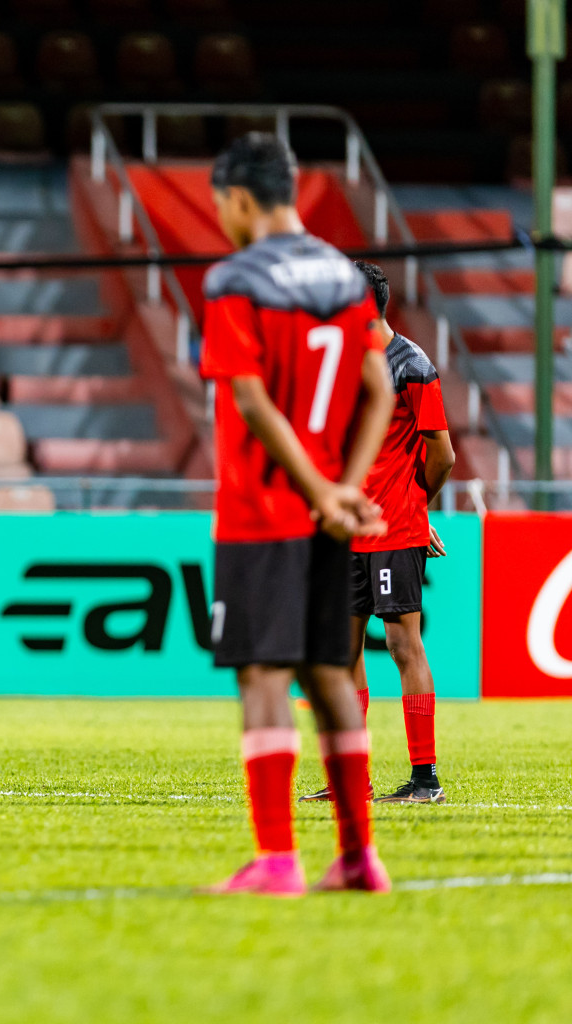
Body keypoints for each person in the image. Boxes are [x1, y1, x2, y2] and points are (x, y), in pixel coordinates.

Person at [198, 133, 397, 895]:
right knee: (332, 672)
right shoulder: (344, 278)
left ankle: (277, 859)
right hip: (326, 512)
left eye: (221, 205)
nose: (222, 219)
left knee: (263, 672)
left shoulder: (235, 280)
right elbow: (378, 388)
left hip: (262, 508)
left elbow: (249, 400)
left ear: (241, 199)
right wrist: (344, 491)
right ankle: (357, 855)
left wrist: (315, 491)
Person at [301, 261, 454, 805]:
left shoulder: (412, 367)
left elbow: (444, 454)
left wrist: (415, 507)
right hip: (348, 532)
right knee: (341, 654)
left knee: (401, 644)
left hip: (394, 528)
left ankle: (425, 778)